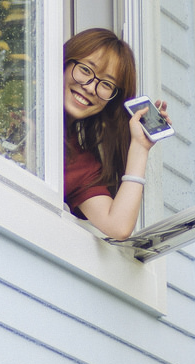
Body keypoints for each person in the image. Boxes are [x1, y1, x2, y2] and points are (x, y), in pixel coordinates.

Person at [63, 27, 164, 241]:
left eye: (106, 84)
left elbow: (118, 226)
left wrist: (140, 146)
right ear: (64, 63)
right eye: (86, 70)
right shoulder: (16, 108)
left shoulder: (80, 162)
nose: (91, 88)